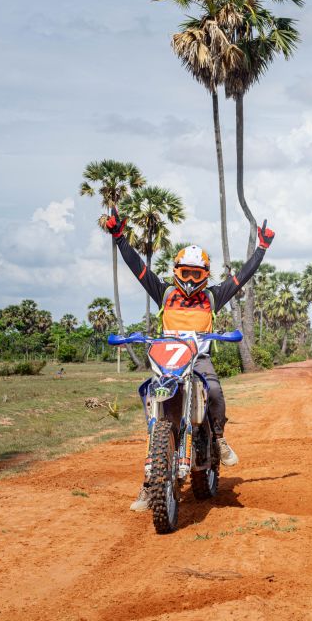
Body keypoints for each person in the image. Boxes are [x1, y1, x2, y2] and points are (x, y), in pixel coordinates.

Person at [103, 207, 275, 511]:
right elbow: (136, 266)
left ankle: (218, 438)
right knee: (155, 408)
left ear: (206, 275)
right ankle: (150, 481)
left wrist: (260, 248)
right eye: (186, 272)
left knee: (217, 391)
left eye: (197, 273)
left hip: (198, 360)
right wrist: (119, 237)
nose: (191, 278)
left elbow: (243, 277)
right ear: (176, 271)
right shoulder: (164, 293)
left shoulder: (213, 297)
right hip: (167, 362)